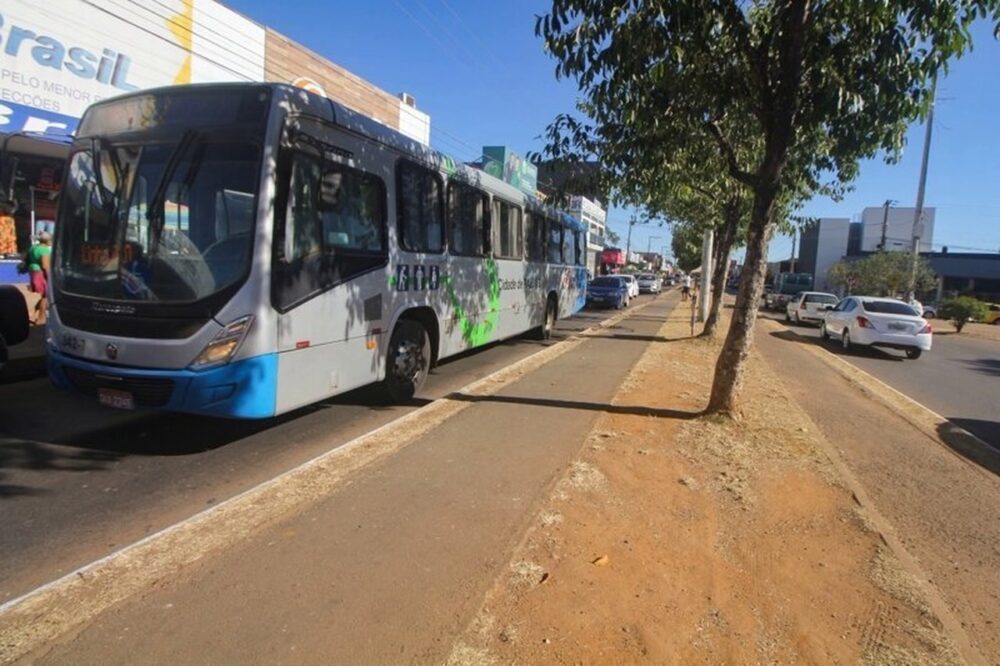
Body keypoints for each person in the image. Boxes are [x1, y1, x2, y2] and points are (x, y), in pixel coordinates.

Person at [27, 231, 53, 325]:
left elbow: (26, 260)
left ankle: (31, 314)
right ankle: (41, 318)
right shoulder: (44, 250)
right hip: (41, 274)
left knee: (44, 296)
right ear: (47, 240)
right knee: (45, 296)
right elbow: (45, 265)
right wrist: (50, 277)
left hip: (33, 272)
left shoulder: (33, 248)